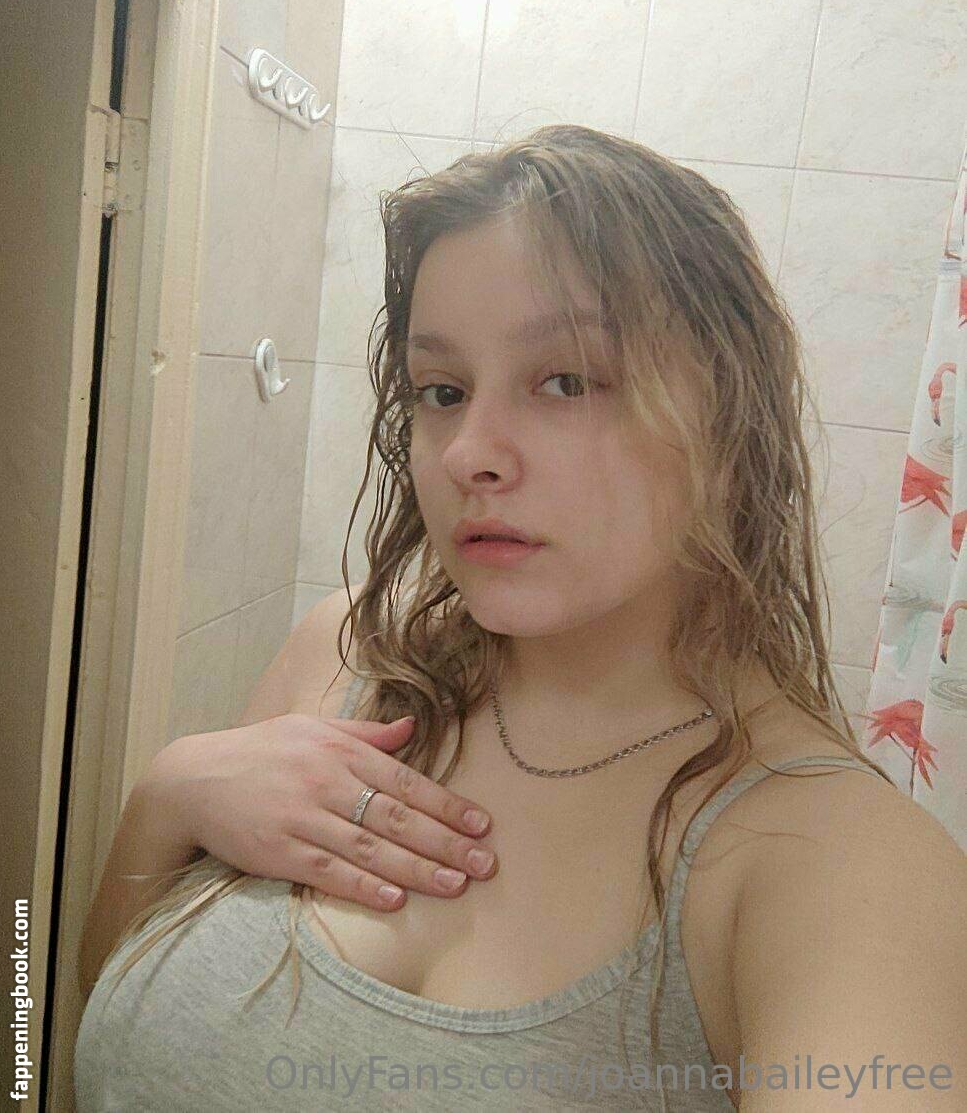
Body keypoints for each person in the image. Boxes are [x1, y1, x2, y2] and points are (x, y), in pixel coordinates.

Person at [75, 125, 967, 1111]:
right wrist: (168, 799)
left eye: (565, 380)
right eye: (442, 390)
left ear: (726, 416)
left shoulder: (834, 860)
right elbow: (110, 1037)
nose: (468, 452)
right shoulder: (342, 654)